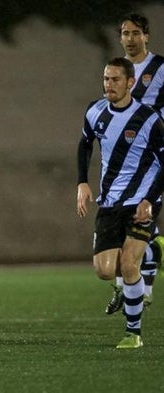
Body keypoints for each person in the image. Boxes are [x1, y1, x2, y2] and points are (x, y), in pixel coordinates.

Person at [76, 57, 164, 348]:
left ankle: (133, 334)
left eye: (115, 79)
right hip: (111, 202)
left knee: (128, 264)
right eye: (105, 79)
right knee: (104, 270)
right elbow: (85, 143)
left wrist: (150, 200)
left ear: (130, 83)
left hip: (141, 202)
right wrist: (82, 182)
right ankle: (153, 251)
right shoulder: (96, 111)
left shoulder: (149, 119)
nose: (108, 85)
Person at [104, 13, 164, 315]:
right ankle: (151, 254)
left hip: (153, 155)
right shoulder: (118, 70)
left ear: (147, 36)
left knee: (141, 214)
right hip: (125, 158)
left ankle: (134, 289)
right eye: (125, 33)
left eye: (136, 33)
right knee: (125, 220)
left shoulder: (161, 69)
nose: (130, 38)